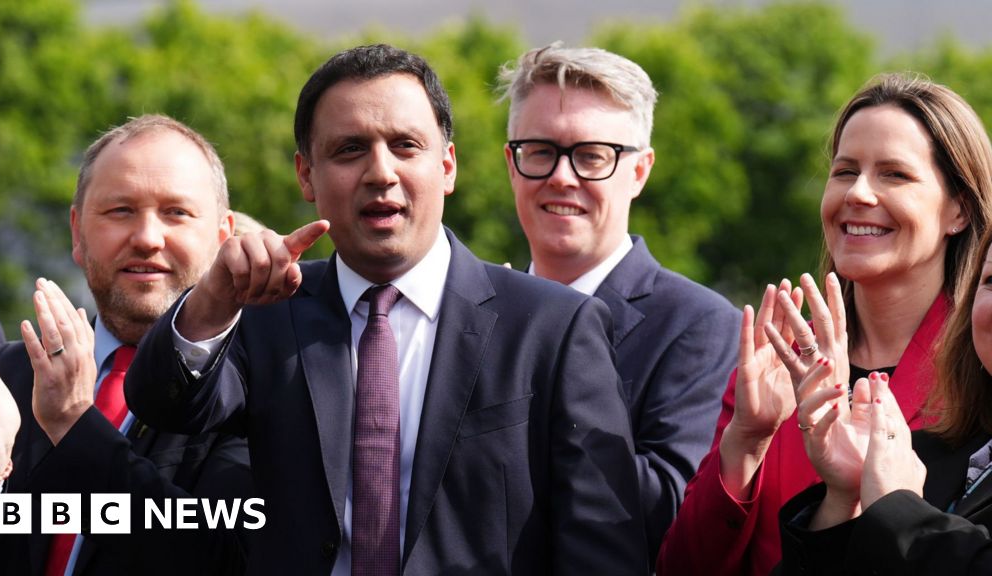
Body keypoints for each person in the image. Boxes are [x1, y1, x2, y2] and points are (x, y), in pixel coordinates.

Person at [125, 44, 647, 575]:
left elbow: (602, 545)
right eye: (350, 149)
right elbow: (162, 405)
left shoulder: (552, 327)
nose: (381, 172)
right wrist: (212, 301)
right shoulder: (266, 310)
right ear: (306, 176)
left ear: (447, 165)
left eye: (405, 146)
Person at [657, 72, 992, 575]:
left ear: (959, 210)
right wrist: (746, 440)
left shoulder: (982, 359)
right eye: (844, 171)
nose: (858, 193)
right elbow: (683, 566)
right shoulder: (780, 356)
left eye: (894, 175)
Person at [0, 114, 253, 575]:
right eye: (120, 211)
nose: (146, 238)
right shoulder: (3, 377)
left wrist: (74, 426)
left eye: (176, 213)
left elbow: (214, 558)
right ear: (77, 233)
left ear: (222, 238)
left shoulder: (262, 392)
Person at [496, 43, 741, 565]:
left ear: (639, 171)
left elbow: (667, 514)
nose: (563, 177)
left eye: (592, 156)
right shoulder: (475, 310)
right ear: (511, 164)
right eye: (540, 150)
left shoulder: (700, 326)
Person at [775, 226, 992, 575]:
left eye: (895, 174)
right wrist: (844, 501)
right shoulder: (917, 454)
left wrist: (899, 510)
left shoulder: (898, 483)